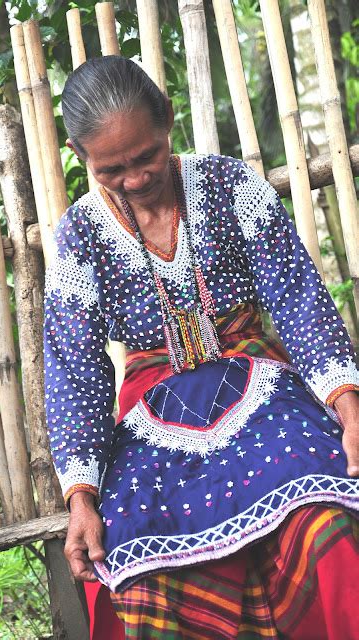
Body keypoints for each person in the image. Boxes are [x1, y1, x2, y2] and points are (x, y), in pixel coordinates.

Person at [44, 55, 359, 639]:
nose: (136, 179)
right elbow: (76, 374)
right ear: (79, 154)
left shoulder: (230, 185)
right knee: (136, 566)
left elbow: (295, 298)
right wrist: (81, 498)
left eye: (146, 156)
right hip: (151, 415)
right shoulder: (79, 239)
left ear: (166, 118)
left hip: (261, 385)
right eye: (112, 169)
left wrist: (348, 407)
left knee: (324, 517)